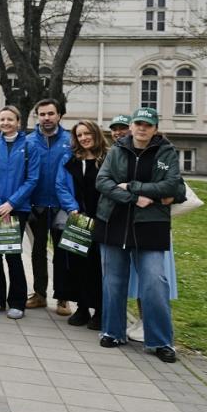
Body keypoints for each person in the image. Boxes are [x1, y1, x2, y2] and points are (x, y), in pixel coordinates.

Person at [95, 108, 182, 363]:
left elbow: (172, 186)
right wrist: (134, 198)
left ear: (155, 129)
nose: (142, 128)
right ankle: (113, 332)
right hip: (113, 222)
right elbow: (103, 181)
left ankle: (161, 341)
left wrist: (133, 187)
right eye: (139, 123)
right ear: (132, 126)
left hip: (151, 225)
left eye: (148, 125)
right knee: (113, 281)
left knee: (155, 282)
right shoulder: (117, 150)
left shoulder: (166, 152)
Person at [0, 105, 40, 320]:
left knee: (12, 255)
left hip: (17, 209)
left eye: (10, 119)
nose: (5, 123)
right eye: (2, 119)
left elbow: (32, 179)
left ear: (18, 122)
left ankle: (17, 301)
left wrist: (11, 203)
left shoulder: (30, 146)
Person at [56, 120, 107, 330]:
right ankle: (82, 307)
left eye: (87, 133)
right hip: (78, 219)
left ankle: (100, 311)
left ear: (96, 133)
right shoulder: (70, 159)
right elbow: (60, 185)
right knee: (78, 265)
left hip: (102, 220)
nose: (84, 138)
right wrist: (72, 208)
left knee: (99, 266)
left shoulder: (108, 158)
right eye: (79, 135)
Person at [25, 99, 73, 312]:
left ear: (59, 115)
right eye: (42, 114)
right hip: (36, 205)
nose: (46, 118)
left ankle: (63, 297)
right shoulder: (28, 141)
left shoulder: (70, 141)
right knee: (38, 251)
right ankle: (39, 294)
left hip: (62, 206)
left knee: (63, 253)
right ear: (37, 116)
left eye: (51, 113)